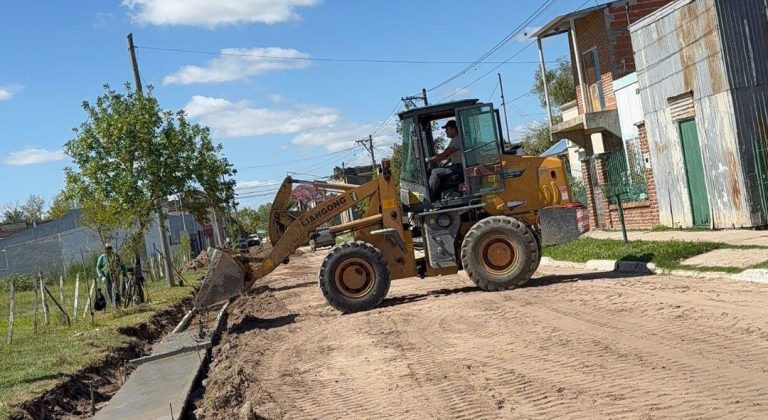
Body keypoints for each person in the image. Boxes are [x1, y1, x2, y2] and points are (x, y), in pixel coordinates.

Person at [427, 119, 463, 201]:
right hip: (457, 166)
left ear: (453, 129)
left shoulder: (457, 139)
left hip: (459, 167)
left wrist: (428, 160)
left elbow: (445, 154)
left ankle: (428, 198)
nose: (446, 132)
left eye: (447, 129)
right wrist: (443, 161)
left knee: (435, 172)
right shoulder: (454, 140)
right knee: (440, 174)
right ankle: (438, 198)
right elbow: (448, 157)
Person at [96, 243, 126, 307]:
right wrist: (101, 276)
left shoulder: (115, 255)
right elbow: (98, 267)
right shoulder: (102, 257)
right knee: (110, 292)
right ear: (105, 249)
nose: (108, 250)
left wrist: (125, 275)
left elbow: (122, 265)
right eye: (107, 248)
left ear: (111, 248)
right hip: (107, 278)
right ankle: (114, 306)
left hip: (116, 276)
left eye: (109, 248)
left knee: (116, 291)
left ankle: (118, 305)